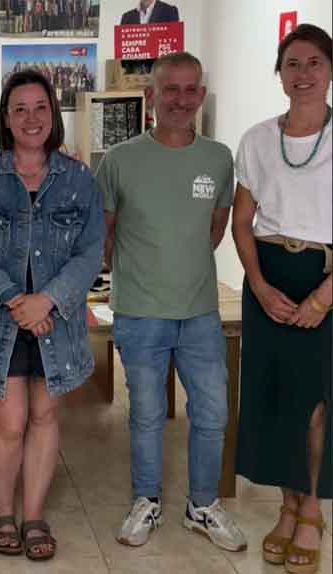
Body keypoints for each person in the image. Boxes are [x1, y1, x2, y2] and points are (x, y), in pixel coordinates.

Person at [97, 52, 247, 552]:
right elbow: (105, 234)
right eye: (170, 89)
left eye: (190, 90)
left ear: (201, 95)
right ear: (150, 96)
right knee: (145, 414)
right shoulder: (120, 160)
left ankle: (202, 505)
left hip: (199, 311)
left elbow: (215, 229)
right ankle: (146, 501)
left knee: (213, 413)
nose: (181, 100)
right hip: (140, 312)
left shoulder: (218, 158)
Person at [0, 69, 104, 562]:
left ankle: (34, 515)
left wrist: (49, 300)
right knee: (10, 419)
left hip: (56, 320)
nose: (31, 117)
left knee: (45, 414)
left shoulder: (79, 179)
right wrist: (17, 301)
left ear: (53, 115)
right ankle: (3, 512)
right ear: (6, 117)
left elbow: (91, 251)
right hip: (1, 320)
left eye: (40, 107)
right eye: (20, 108)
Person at [232, 24, 331, 574]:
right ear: (279, 73)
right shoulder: (256, 140)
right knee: (274, 397)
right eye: (292, 63)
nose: (303, 74)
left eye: (314, 62)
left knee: (314, 402)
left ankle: (312, 509)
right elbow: (242, 222)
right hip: (268, 280)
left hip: (324, 280)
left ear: (330, 70)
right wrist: (258, 284)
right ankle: (287, 506)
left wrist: (323, 299)